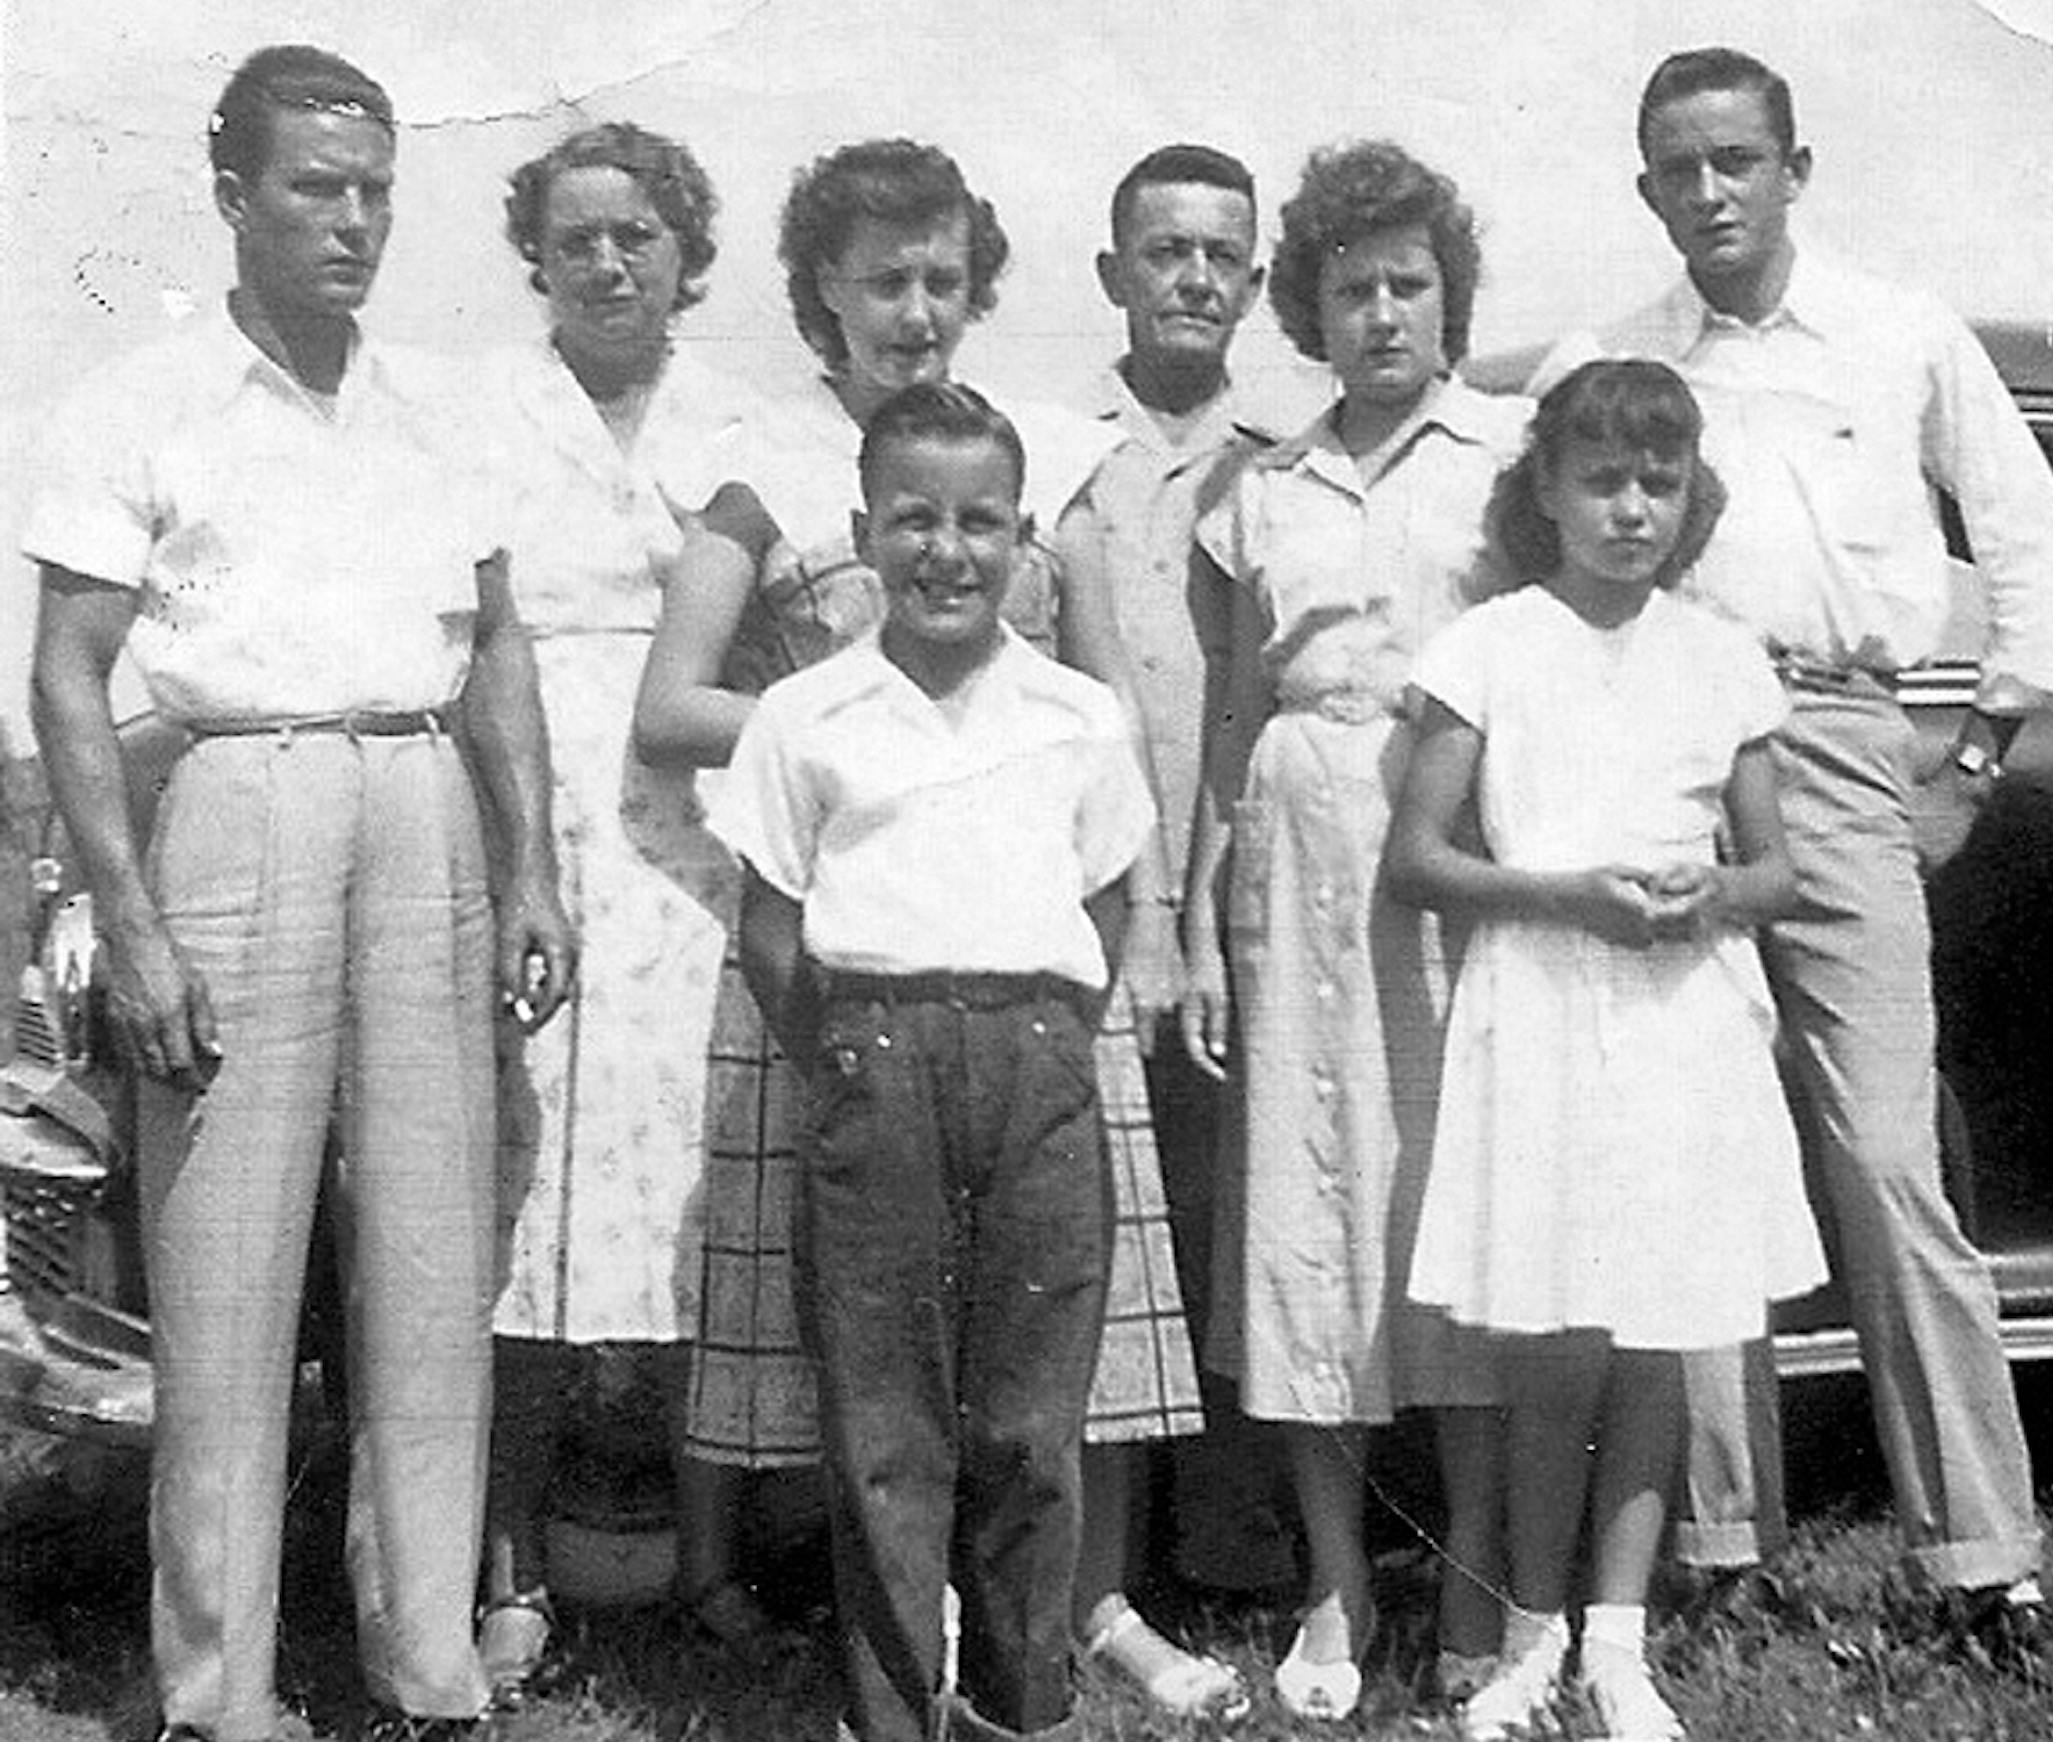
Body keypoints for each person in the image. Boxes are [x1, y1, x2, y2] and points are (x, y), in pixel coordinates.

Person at [1538, 46, 2053, 1660]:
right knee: (1689, 1151)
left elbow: (2032, 544)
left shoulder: (1899, 331)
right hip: (1667, 748)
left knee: (1882, 1151)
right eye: (1678, 168)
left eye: (1737, 159)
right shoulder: (1609, 358)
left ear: (1795, 168)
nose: (1710, 192)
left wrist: (1974, 762)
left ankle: (1984, 1558)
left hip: (1845, 737)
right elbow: (1533, 558)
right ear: (1646, 188)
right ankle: (1720, 1541)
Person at [22, 44, 573, 1742]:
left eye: (375, 191)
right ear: (233, 197)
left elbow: (497, 654)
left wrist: (535, 867)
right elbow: (67, 675)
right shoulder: (140, 403)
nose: (353, 222)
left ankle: (428, 1669)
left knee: (429, 1263)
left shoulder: (438, 409)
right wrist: (132, 922)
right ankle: (220, 1689)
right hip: (234, 804)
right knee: (226, 1275)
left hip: (421, 806)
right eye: (316, 188)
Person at [635, 137, 1204, 1668]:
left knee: (1064, 1319)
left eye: (944, 279)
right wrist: (860, 724)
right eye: (882, 280)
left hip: (1030, 947)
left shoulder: (1040, 460)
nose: (916, 310)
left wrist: (1142, 913)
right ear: (820, 289)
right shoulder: (765, 465)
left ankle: (1086, 1610)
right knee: (874, 1334)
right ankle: (905, 1622)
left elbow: (1105, 700)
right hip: (854, 956)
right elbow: (672, 700)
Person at [1384, 359, 1827, 1741]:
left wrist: (1713, 891)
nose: (1632, 509)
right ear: (1546, 491)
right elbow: (1418, 858)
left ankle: (1618, 1646)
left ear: (1692, 497)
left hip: (1679, 1015)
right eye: (1602, 481)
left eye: (1659, 483)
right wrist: (1564, 894)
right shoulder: (1491, 646)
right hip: (1541, 1007)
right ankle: (1532, 1634)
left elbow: (1777, 870)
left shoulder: (1719, 655)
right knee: (1555, 1338)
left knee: (1655, 1332)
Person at [714, 380, 1157, 1742]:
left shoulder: (1078, 713)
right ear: (863, 535)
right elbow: (772, 929)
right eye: (913, 520)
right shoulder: (805, 716)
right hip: (875, 1063)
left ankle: (1024, 1709)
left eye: (980, 523)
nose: (946, 552)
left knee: (1028, 1423)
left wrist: (1035, 1041)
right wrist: (860, 1060)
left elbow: (1109, 902)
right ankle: (896, 1713)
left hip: (1037, 1068)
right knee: (886, 1423)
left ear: (1024, 541)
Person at [1180, 138, 1527, 1720]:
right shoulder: (1262, 486)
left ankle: (1470, 1567)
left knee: (1448, 1205)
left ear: (1452, 299)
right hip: (1295, 842)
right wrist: (1199, 923)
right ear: (1309, 312)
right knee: (1304, 1214)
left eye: (1409, 285)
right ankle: (1337, 1578)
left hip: (1454, 835)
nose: (1382, 314)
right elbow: (1229, 710)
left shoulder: (1507, 456)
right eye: (1351, 289)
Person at [472, 121, 747, 1704]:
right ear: (538, 257)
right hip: (540, 818)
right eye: (574, 237)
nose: (606, 262)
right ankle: (510, 1567)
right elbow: (480, 634)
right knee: (524, 1202)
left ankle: (706, 1559)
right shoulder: (482, 416)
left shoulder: (740, 420)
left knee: (699, 1195)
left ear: (684, 251)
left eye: (636, 234)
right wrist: (519, 853)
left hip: (697, 839)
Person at [1053, 140, 1316, 1716]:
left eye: (1223, 255)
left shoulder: (1282, 464)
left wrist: (1204, 908)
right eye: (1166, 252)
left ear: (1257, 280)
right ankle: (1097, 1561)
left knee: (1231, 1208)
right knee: (1105, 1223)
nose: (1195, 280)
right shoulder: (1057, 456)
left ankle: (1232, 1533)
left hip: (1243, 883)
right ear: (1115, 273)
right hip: (1085, 884)